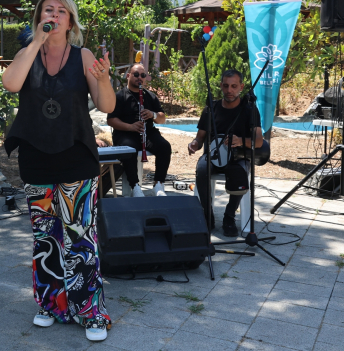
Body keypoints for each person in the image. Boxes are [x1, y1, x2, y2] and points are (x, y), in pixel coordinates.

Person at [2, 0, 116, 342]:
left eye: (61, 11)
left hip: (75, 158)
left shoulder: (83, 56)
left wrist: (104, 78)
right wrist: (36, 42)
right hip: (36, 158)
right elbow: (11, 84)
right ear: (39, 17)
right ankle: (52, 304)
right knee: (45, 238)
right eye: (48, 9)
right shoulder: (27, 53)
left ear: (70, 21)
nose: (54, 15)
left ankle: (90, 312)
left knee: (81, 237)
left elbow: (106, 105)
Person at [187, 70, 262, 237]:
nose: (229, 90)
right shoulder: (211, 108)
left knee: (239, 171)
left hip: (238, 156)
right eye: (226, 86)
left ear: (241, 87)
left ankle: (229, 216)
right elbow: (200, 138)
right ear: (221, 86)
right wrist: (194, 144)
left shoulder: (249, 109)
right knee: (201, 169)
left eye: (234, 86)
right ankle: (208, 215)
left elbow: (258, 141)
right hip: (213, 156)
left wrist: (241, 141)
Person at [106, 64, 172, 197]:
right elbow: (111, 120)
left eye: (143, 75)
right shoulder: (119, 96)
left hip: (147, 132)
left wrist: (153, 115)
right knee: (129, 149)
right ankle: (135, 186)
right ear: (128, 76)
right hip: (125, 133)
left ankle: (158, 184)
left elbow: (162, 118)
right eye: (136, 74)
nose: (139, 77)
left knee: (164, 147)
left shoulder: (150, 96)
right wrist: (130, 127)